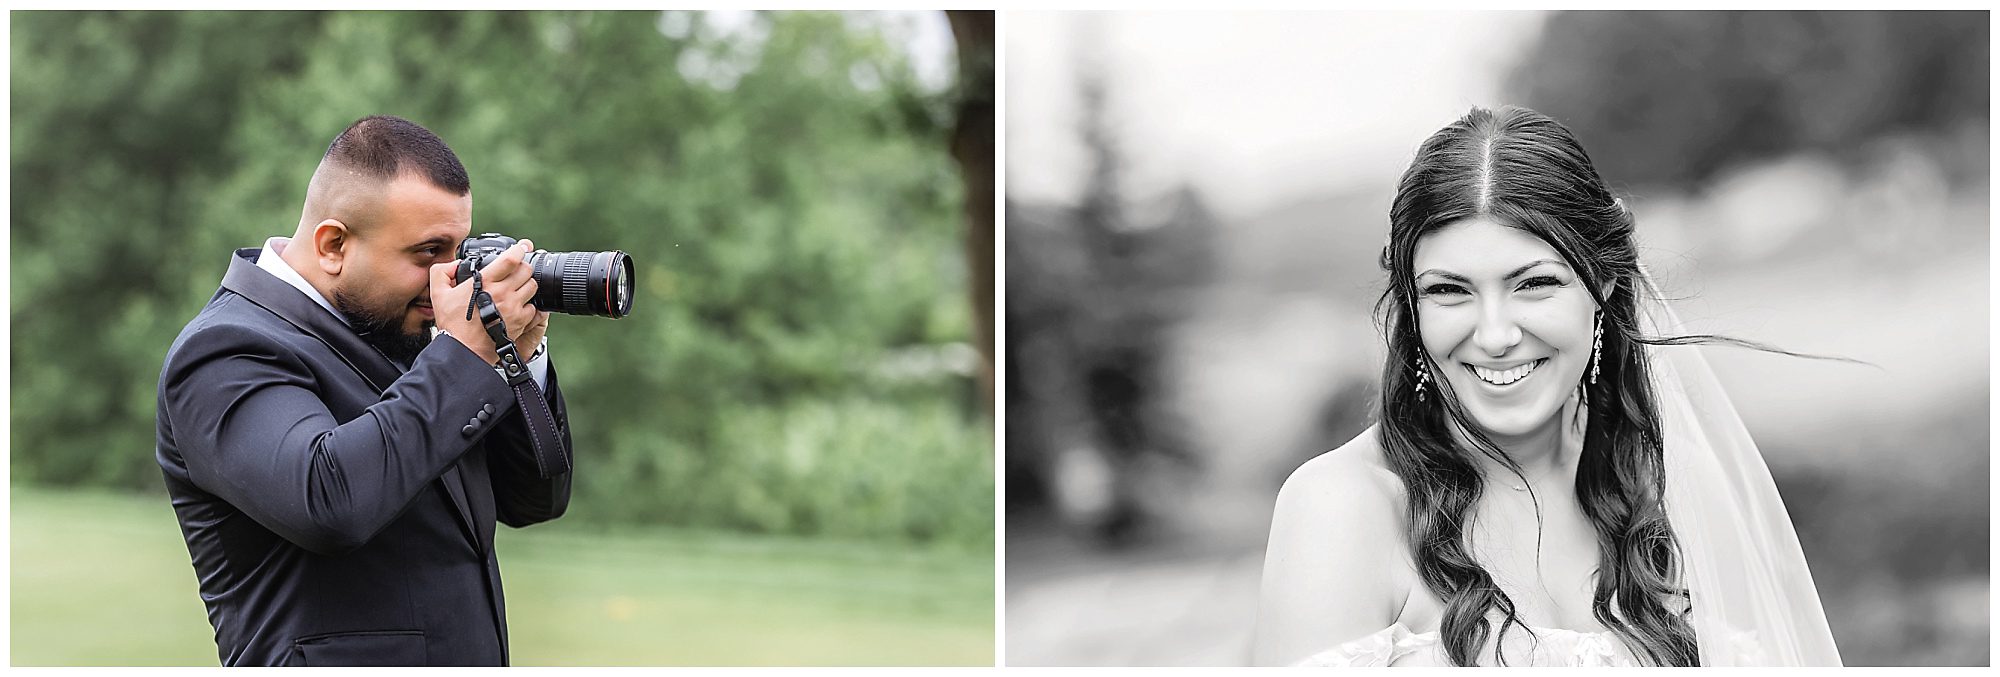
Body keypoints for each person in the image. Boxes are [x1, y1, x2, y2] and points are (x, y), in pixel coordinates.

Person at [1251, 106, 1841, 666]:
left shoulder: (1674, 488)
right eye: (1448, 290)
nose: (1496, 333)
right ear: (1412, 306)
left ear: (1603, 281)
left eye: (1533, 284)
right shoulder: (1345, 507)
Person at [156, 115, 572, 666]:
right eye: (428, 252)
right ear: (333, 245)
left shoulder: (408, 337)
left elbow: (534, 500)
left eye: (459, 248)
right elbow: (328, 502)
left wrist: (520, 353)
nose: (449, 277)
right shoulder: (224, 350)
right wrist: (465, 356)